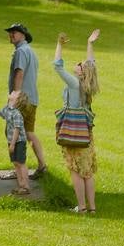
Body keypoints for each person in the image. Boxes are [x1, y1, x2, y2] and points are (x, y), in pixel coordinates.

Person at [53, 28, 101, 214]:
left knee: (75, 171)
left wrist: (59, 45)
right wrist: (89, 43)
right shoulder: (89, 86)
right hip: (86, 135)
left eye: (80, 65)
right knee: (88, 173)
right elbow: (92, 64)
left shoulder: (74, 84)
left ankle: (81, 207)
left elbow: (57, 66)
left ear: (81, 73)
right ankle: (92, 208)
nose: (78, 64)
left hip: (73, 134)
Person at [0, 23, 47, 181]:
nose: (11, 34)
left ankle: (18, 170)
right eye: (10, 32)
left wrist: (15, 96)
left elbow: (19, 74)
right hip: (32, 99)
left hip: (21, 101)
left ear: (23, 35)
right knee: (29, 133)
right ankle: (42, 166)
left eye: (15, 32)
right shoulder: (31, 51)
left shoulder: (20, 51)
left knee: (13, 133)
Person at [0, 91, 31, 195]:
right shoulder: (7, 109)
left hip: (19, 142)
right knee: (16, 163)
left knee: (21, 163)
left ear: (17, 100)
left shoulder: (17, 114)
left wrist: (12, 144)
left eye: (15, 93)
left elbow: (17, 130)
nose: (13, 91)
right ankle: (21, 185)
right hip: (11, 141)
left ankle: (26, 186)